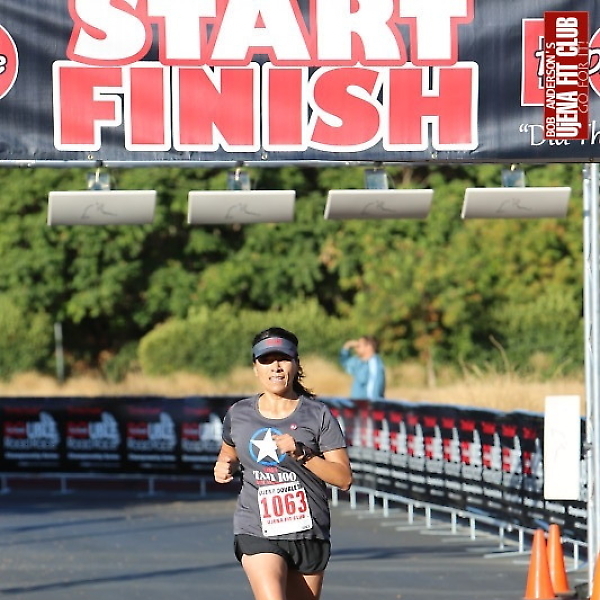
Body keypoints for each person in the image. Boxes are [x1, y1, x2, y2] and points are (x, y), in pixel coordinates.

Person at [214, 326, 353, 600]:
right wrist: (224, 465)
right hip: (256, 528)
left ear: (296, 364)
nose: (275, 367)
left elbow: (343, 479)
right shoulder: (239, 414)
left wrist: (303, 454)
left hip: (308, 531)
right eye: (266, 360)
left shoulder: (318, 415)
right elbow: (228, 452)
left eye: (283, 359)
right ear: (255, 368)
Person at [339, 335, 386, 399]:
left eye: (359, 346)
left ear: (369, 347)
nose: (356, 348)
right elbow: (345, 363)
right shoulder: (358, 361)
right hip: (357, 403)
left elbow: (374, 390)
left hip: (367, 404)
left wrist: (370, 404)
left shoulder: (374, 365)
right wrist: (347, 346)